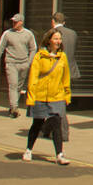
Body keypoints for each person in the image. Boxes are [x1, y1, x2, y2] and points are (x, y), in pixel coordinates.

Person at [24, 28, 71, 165]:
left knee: (56, 123)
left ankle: (59, 154)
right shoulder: (39, 56)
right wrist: (31, 97)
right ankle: (28, 149)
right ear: (49, 40)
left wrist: (67, 95)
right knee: (37, 124)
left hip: (57, 96)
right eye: (56, 39)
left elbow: (65, 77)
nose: (58, 41)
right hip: (40, 95)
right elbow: (33, 78)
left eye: (60, 39)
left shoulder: (62, 57)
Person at [0, 13, 37, 118]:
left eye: (16, 22)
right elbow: (0, 49)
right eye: (13, 21)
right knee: (12, 85)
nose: (14, 23)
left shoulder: (28, 34)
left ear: (21, 22)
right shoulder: (7, 34)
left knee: (18, 86)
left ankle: (13, 105)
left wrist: (28, 63)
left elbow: (33, 48)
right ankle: (14, 107)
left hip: (23, 63)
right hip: (11, 63)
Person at [47, 12, 80, 83]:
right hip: (70, 70)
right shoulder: (73, 33)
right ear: (64, 22)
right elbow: (76, 50)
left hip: (54, 70)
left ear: (53, 21)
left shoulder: (50, 34)